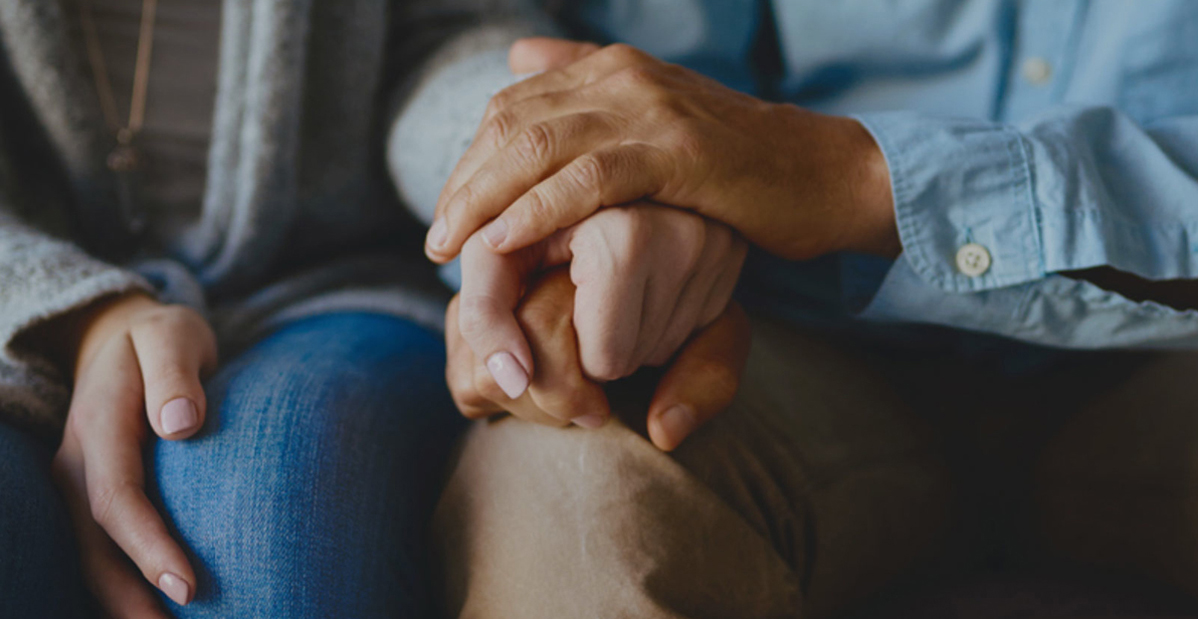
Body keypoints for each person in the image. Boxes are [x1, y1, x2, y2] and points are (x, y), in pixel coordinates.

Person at [387, 1, 1198, 616]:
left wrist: (854, 179)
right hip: (769, 339)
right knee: (576, 492)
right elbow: (505, 40)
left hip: (1168, 365)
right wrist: (595, 217)